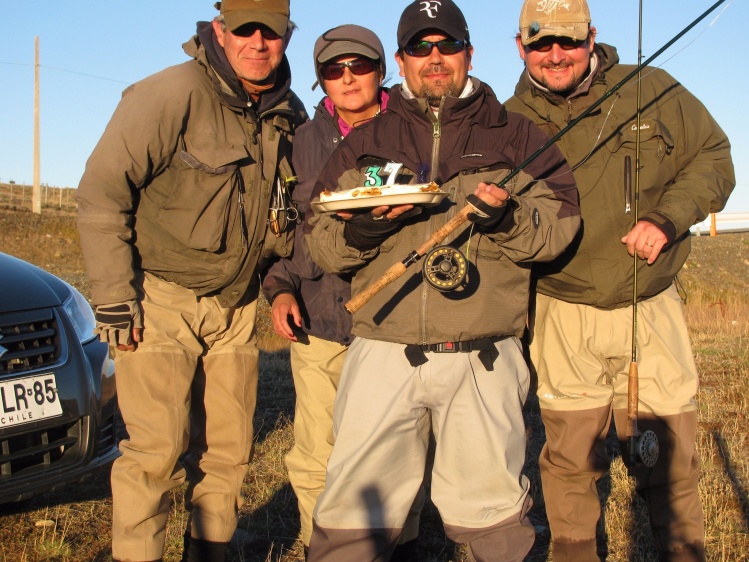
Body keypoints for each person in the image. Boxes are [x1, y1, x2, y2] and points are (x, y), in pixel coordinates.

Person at [302, 1, 581, 560]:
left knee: (494, 522)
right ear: (401, 62)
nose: (435, 58)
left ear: (468, 54)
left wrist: (505, 218)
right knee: (352, 522)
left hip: (486, 357)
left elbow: (559, 232)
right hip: (382, 349)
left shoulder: (520, 137)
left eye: (447, 45)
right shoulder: (363, 144)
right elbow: (320, 245)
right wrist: (360, 230)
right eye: (421, 48)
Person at [75, 1, 307, 560]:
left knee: (228, 449)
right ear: (220, 32)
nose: (258, 43)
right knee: (154, 453)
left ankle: (211, 550)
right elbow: (102, 191)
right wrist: (113, 299)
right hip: (159, 301)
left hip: (235, 309)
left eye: (270, 33)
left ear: (287, 37)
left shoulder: (288, 114)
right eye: (245, 30)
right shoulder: (171, 92)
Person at [504, 1, 735, 561]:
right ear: (520, 47)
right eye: (541, 44)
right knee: (569, 464)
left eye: (568, 40)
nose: (555, 54)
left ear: (592, 38)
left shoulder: (652, 87)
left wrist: (667, 217)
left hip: (649, 304)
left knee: (670, 459)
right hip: (561, 311)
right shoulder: (507, 120)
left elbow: (715, 157)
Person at [262, 25, 420, 560]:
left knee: (400, 447)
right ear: (320, 80)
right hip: (320, 321)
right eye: (333, 69)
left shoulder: (417, 127)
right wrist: (281, 288)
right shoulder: (300, 143)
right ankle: (320, 544)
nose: (347, 77)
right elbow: (285, 229)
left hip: (397, 319)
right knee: (315, 452)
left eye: (359, 65)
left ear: (384, 70)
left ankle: (402, 547)